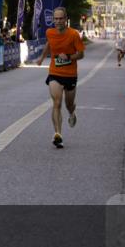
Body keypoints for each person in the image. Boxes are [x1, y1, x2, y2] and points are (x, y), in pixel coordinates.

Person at [36, 8, 84, 148]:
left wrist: (68, 57)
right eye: (56, 19)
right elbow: (49, 45)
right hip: (55, 72)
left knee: (69, 104)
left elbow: (81, 54)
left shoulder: (73, 34)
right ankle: (58, 134)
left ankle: (72, 112)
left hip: (70, 74)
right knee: (57, 103)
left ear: (65, 19)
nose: (58, 21)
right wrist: (41, 58)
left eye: (60, 18)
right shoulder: (50, 33)